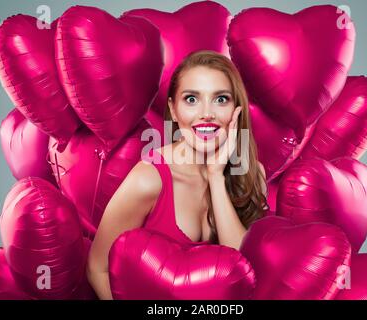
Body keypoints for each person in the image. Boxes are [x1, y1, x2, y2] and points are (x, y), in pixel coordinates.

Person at [86, 50, 268, 300]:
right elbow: (98, 269)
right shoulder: (149, 178)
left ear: (237, 109)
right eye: (191, 99)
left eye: (221, 99)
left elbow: (241, 278)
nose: (207, 113)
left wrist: (216, 177)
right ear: (173, 108)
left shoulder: (252, 174)